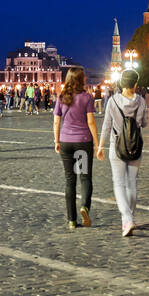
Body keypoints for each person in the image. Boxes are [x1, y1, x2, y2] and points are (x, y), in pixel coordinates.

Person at [99, 70, 147, 237]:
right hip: (135, 146)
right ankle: (130, 215)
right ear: (135, 84)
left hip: (116, 146)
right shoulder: (141, 101)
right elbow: (144, 123)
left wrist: (100, 146)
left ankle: (126, 219)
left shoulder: (112, 101)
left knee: (119, 183)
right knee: (132, 182)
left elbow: (106, 125)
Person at [53, 67, 99, 229]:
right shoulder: (86, 98)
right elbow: (91, 122)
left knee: (69, 180)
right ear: (81, 79)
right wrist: (97, 143)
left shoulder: (61, 97)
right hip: (82, 143)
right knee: (85, 177)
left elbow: (57, 121)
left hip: (66, 142)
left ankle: (71, 220)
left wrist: (56, 140)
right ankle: (84, 206)